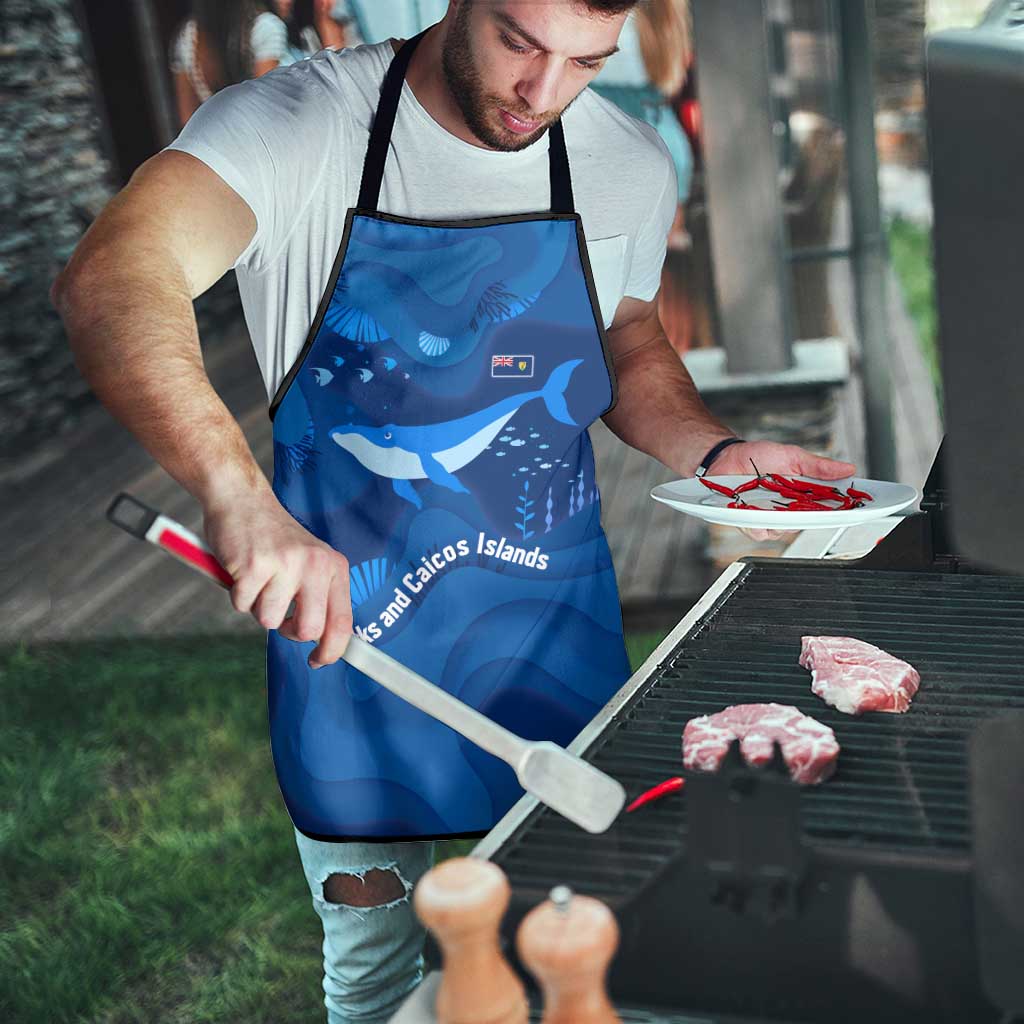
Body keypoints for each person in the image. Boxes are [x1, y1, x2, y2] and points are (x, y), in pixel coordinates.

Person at [52, 2, 856, 1020]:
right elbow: (113, 275)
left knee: (586, 946)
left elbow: (627, 337)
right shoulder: (297, 125)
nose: (543, 94)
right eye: (521, 42)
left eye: (585, 62)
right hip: (353, 645)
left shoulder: (624, 160)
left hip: (550, 630)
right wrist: (235, 495)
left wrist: (717, 449)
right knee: (379, 976)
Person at [169, 0, 289, 127]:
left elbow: (187, 120)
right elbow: (266, 107)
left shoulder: (188, 37)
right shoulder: (266, 27)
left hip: (215, 140)